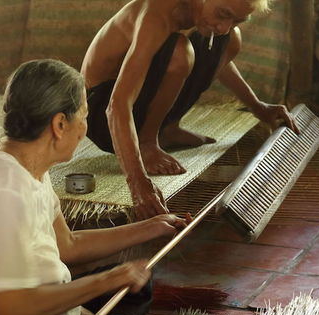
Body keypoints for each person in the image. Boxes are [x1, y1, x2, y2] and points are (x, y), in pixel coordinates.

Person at [0, 59, 188, 315]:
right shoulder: (4, 191)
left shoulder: (25, 162)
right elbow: (12, 309)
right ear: (59, 125)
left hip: (35, 301)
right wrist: (105, 281)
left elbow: (66, 244)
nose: (84, 129)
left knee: (136, 285)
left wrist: (153, 227)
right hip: (17, 310)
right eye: (84, 116)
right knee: (121, 283)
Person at [81, 0, 300, 220]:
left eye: (237, 20)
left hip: (132, 107)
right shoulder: (156, 15)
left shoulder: (210, 21)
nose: (225, 26)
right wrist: (137, 182)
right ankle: (148, 141)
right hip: (101, 115)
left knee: (228, 40)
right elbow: (117, 106)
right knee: (180, 51)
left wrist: (257, 106)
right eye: (223, 14)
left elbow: (218, 64)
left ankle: (168, 128)